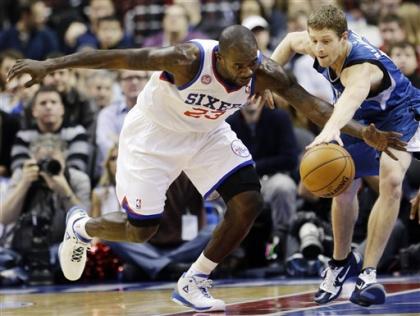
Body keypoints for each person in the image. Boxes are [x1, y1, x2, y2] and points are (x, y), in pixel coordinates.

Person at [8, 25, 405, 312]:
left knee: (249, 199)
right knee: (141, 230)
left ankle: (195, 279)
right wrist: (51, 64)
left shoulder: (260, 70)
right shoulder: (186, 59)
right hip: (153, 137)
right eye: (239, 67)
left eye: (251, 65)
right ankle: (82, 228)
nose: (248, 74)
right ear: (219, 57)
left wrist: (362, 132)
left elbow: (312, 106)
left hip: (207, 133)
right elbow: (116, 59)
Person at [271, 5, 420, 307]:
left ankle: (368, 273)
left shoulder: (361, 67)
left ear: (344, 37)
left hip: (397, 117)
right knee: (342, 186)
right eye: (314, 40)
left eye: (326, 41)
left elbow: (349, 100)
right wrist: (263, 81)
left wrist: (330, 131)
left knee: (391, 182)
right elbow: (287, 41)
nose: (319, 48)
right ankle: (340, 263)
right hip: (359, 120)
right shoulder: (314, 44)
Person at [0, 134, 90, 284]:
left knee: (69, 256)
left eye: (52, 162)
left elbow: (84, 222)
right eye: (42, 162)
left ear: (64, 159)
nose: (47, 167)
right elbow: (4, 217)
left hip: (59, 247)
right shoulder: (22, 175)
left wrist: (64, 190)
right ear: (32, 159)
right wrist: (24, 184)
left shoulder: (77, 178)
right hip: (20, 248)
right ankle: (19, 271)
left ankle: (17, 274)